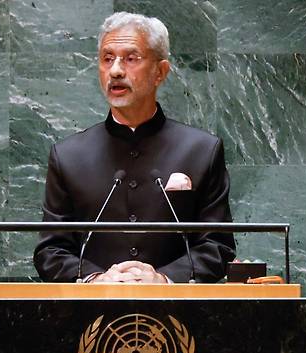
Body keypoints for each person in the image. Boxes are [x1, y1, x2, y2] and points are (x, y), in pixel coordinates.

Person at [33, 12, 235, 283]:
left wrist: (164, 279)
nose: (115, 70)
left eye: (131, 58)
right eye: (107, 59)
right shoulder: (68, 156)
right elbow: (51, 250)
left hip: (180, 313)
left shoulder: (201, 150)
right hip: (89, 316)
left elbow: (218, 246)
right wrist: (96, 279)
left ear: (160, 72)